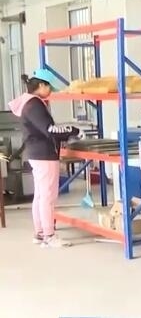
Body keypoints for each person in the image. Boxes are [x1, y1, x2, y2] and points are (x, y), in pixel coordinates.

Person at [9, 69, 81, 248]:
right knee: (48, 196)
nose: (50, 92)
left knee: (41, 195)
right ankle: (49, 235)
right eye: (49, 87)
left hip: (36, 153)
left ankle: (40, 233)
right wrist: (74, 131)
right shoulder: (34, 104)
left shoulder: (27, 102)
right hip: (44, 155)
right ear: (41, 85)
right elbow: (50, 129)